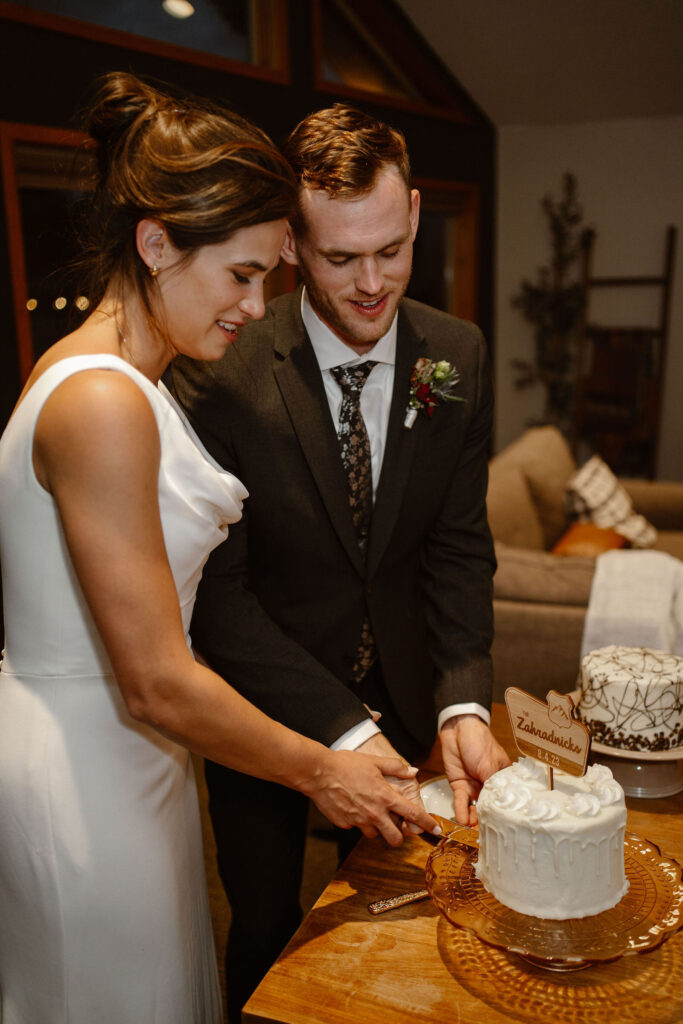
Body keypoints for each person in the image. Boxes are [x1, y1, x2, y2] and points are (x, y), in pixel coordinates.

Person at [0, 78, 439, 1024]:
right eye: (239, 273)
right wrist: (326, 769)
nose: (254, 305)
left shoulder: (104, 371)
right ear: (156, 243)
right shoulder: (104, 402)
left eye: (266, 277)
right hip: (86, 775)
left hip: (134, 760)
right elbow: (156, 680)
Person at [168, 102, 511, 1022]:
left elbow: (456, 544)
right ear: (288, 243)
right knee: (268, 927)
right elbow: (220, 599)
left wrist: (463, 696)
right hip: (269, 716)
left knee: (421, 929)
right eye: (337, 257)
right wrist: (341, 736)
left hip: (412, 693)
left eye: (390, 251)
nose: (370, 284)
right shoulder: (218, 373)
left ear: (413, 218)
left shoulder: (458, 355)